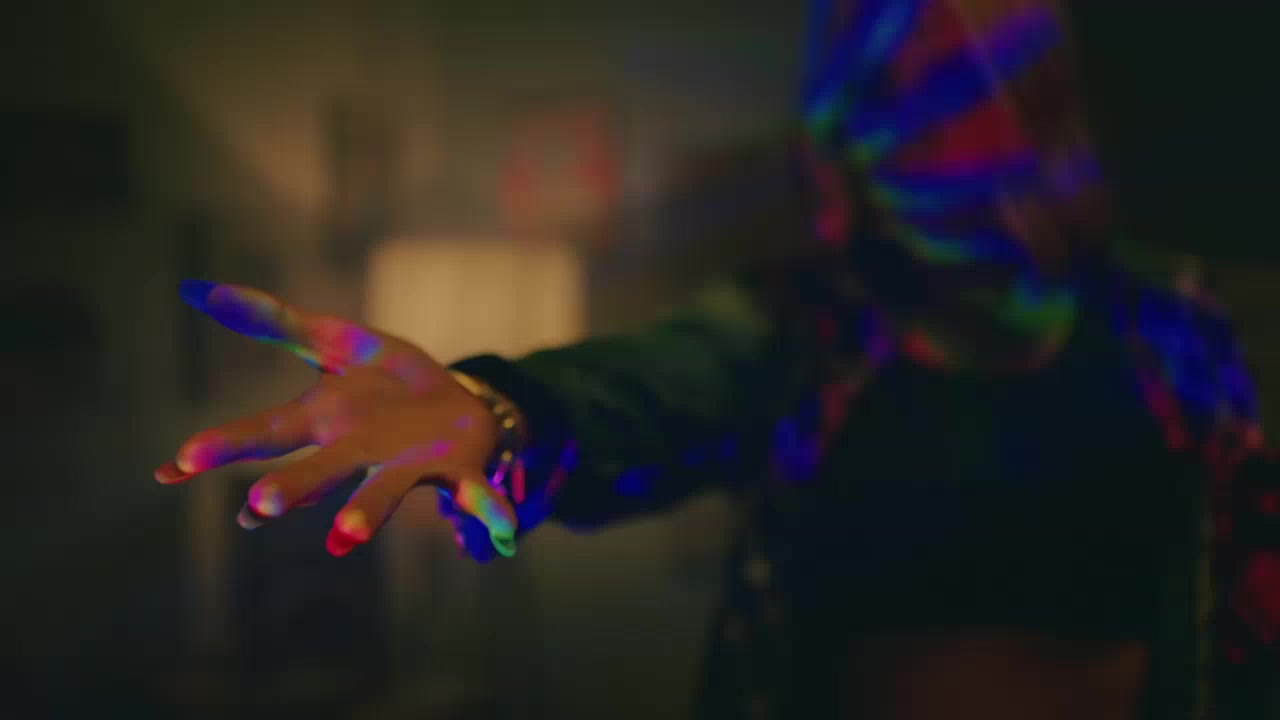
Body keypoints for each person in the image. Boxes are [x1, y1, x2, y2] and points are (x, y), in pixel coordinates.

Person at [156, 1, 1279, 717]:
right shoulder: (803, 333)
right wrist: (494, 412)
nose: (995, 138)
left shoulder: (1195, 332)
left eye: (1024, 89)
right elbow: (644, 392)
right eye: (943, 99)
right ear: (857, 151)